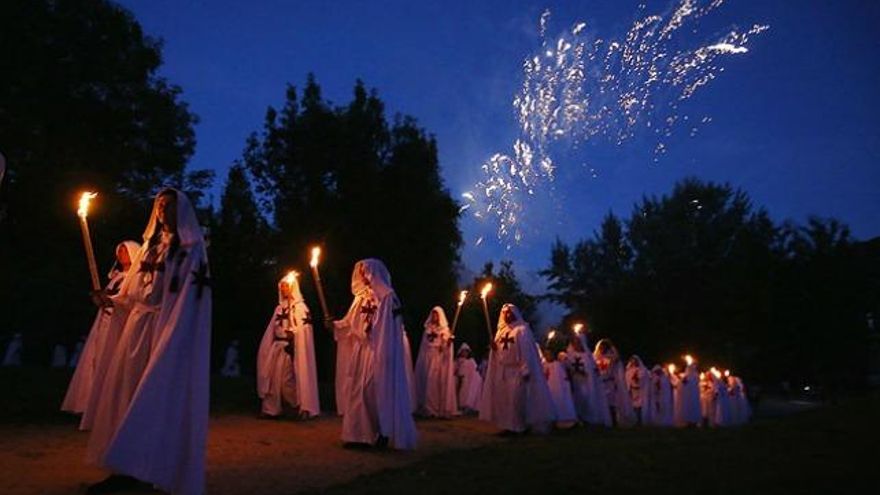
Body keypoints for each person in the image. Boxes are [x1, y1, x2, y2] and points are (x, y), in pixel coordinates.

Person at [85, 188, 211, 495]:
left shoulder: (190, 250)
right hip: (135, 331)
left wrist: (170, 338)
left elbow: (188, 303)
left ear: (180, 211)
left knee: (152, 398)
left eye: (168, 206)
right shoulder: (148, 247)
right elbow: (130, 295)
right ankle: (123, 468)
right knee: (123, 396)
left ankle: (150, 469)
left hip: (163, 333)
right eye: (159, 206)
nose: (162, 211)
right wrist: (110, 299)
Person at [329, 259, 417, 449]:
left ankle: (382, 432)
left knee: (373, 391)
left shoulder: (388, 298)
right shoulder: (360, 298)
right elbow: (350, 322)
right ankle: (358, 435)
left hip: (379, 351)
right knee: (357, 391)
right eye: (360, 272)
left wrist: (381, 346)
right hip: (361, 351)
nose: (363, 276)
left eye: (365, 272)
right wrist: (334, 324)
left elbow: (391, 329)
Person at [63, 241, 140, 417]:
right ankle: (92, 402)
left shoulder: (134, 278)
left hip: (119, 325)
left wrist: (111, 300)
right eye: (119, 251)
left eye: (125, 251)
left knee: (112, 360)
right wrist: (100, 299)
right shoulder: (115, 277)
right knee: (97, 358)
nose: (121, 254)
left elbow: (129, 300)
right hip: (104, 323)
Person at [479, 304, 556, 434]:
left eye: (509, 312)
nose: (507, 315)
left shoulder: (522, 330)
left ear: (515, 313)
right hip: (503, 371)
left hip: (517, 371)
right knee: (504, 400)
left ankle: (519, 427)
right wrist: (494, 349)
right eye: (505, 313)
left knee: (516, 400)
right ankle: (507, 426)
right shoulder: (500, 332)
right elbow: (499, 355)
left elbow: (526, 352)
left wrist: (525, 369)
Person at [256, 274, 320, 419]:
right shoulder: (279, 308)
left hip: (290, 349)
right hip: (276, 348)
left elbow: (304, 330)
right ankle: (271, 410)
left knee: (286, 381)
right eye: (282, 287)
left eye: (287, 286)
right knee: (272, 379)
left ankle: (299, 406)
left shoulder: (301, 308)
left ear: (293, 288)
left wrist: (295, 334)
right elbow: (272, 329)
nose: (284, 289)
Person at [414, 307, 458, 418]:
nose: (434, 317)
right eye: (433, 314)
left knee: (434, 382)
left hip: (438, 359)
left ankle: (436, 408)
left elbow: (445, 347)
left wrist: (448, 343)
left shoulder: (444, 330)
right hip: (428, 357)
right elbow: (424, 346)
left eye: (436, 315)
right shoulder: (427, 328)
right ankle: (428, 408)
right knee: (427, 382)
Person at [565, 330, 611, 426]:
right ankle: (578, 419)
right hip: (575, 382)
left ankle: (589, 418)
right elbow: (567, 366)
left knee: (587, 399)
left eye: (578, 342)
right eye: (574, 342)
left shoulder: (587, 355)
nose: (576, 344)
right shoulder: (568, 354)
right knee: (577, 399)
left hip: (587, 383)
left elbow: (592, 369)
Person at [594, 339, 636, 427]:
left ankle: (613, 422)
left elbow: (617, 360)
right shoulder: (595, 357)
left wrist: (612, 347)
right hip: (599, 383)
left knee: (611, 403)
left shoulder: (611, 357)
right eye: (601, 347)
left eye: (604, 347)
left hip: (610, 383)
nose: (602, 349)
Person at [544, 348, 577, 429]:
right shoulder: (544, 365)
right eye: (546, 355)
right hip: (551, 388)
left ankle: (567, 421)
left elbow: (567, 368)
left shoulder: (559, 364)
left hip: (561, 389)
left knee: (563, 403)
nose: (548, 356)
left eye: (550, 354)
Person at [625, 355, 653, 426]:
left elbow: (644, 379)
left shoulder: (643, 370)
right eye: (632, 360)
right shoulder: (628, 370)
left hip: (640, 390)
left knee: (640, 405)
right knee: (633, 405)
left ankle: (640, 420)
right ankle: (635, 420)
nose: (633, 362)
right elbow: (627, 380)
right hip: (632, 390)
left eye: (635, 360)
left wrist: (637, 378)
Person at [454, 343, 482, 413]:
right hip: (461, 379)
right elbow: (455, 369)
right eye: (463, 351)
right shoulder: (458, 361)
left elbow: (475, 370)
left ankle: (467, 405)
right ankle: (460, 405)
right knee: (461, 391)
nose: (465, 353)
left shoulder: (471, 361)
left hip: (469, 380)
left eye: (466, 352)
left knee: (467, 392)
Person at [673, 360, 702, 427]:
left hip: (691, 396)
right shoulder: (695, 376)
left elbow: (683, 384)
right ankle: (690, 421)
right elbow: (682, 384)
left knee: (691, 407)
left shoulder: (692, 376)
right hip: (690, 396)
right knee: (690, 407)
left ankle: (691, 421)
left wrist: (682, 382)